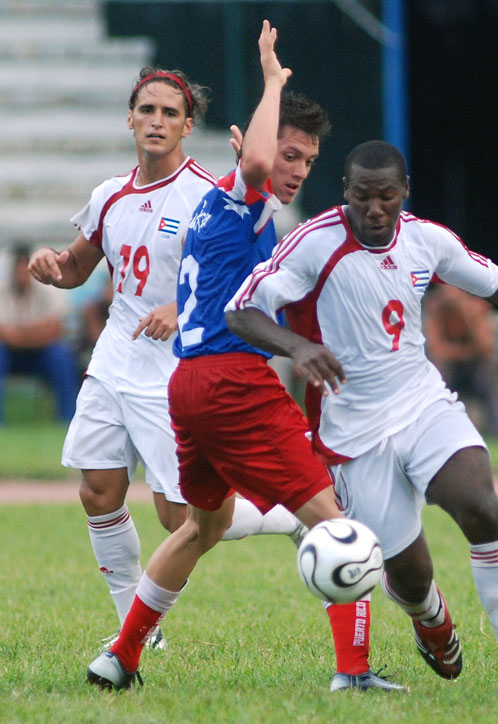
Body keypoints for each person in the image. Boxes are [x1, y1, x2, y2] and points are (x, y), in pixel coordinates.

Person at [85, 22, 402, 693]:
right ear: (252, 142)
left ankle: (121, 654)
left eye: (308, 162)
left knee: (202, 525)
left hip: (188, 385)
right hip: (232, 380)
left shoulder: (213, 211)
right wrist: (271, 77)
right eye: (288, 153)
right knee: (338, 522)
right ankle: (354, 673)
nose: (294, 170)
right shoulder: (239, 191)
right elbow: (254, 168)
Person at [225, 140, 498, 693]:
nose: (375, 208)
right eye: (363, 197)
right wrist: (297, 346)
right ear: (346, 193)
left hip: (422, 403)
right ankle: (431, 619)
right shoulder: (314, 243)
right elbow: (240, 309)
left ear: (404, 192)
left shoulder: (426, 240)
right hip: (353, 434)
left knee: (480, 505)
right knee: (409, 577)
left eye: (386, 196)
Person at [28, 59, 316, 652]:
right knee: (98, 490)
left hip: (178, 365)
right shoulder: (109, 195)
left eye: (170, 113)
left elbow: (248, 278)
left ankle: (287, 514)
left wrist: (184, 312)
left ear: (188, 126)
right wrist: (52, 265)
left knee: (182, 516)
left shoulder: (209, 194)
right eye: (147, 110)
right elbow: (78, 266)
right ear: (130, 119)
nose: (156, 121)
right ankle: (138, 628)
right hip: (115, 358)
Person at [423, 283, 498, 438]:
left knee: (491, 371)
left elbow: (486, 348)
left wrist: (468, 315)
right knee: (437, 372)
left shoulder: (477, 307)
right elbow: (436, 351)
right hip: (449, 370)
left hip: (475, 368)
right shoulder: (434, 308)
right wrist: (463, 352)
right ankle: (440, 434)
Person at [0, 244, 79, 424]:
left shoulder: (48, 289)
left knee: (61, 355)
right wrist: (34, 332)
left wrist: (18, 333)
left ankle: (68, 418)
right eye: (17, 268)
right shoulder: (2, 291)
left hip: (41, 354)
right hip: (9, 354)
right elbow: (3, 334)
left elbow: (55, 330)